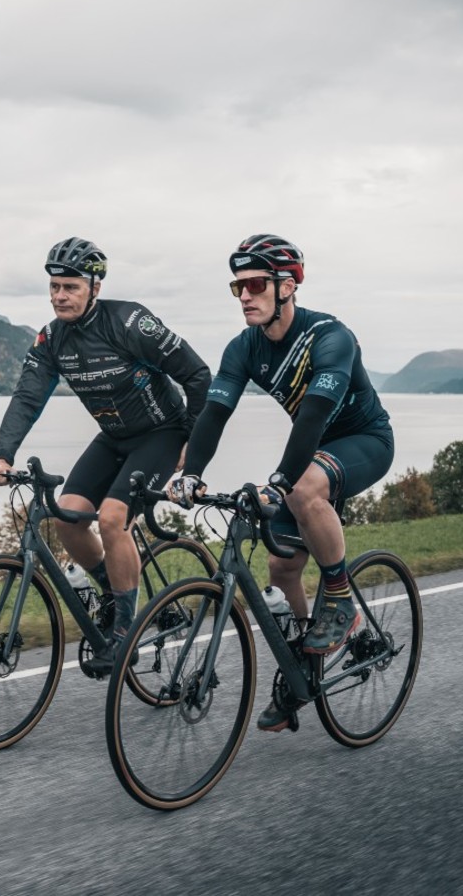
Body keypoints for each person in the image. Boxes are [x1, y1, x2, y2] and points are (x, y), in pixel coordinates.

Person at [168, 233, 394, 731]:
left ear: (287, 286)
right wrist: (190, 474)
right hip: (313, 453)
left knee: (301, 488)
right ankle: (302, 671)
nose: (244, 295)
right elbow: (213, 415)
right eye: (238, 286)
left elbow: (312, 417)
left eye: (254, 284)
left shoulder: (331, 336)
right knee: (281, 564)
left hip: (365, 441)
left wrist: (277, 482)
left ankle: (340, 602)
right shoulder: (244, 347)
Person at [0, 237, 210, 666]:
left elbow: (198, 375)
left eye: (70, 286)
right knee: (66, 516)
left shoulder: (129, 322)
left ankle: (125, 628)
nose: (59, 296)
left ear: (95, 288)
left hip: (162, 433)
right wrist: (2, 456)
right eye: (54, 287)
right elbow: (28, 397)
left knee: (111, 518)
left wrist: (191, 443)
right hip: (114, 436)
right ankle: (114, 591)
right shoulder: (51, 338)